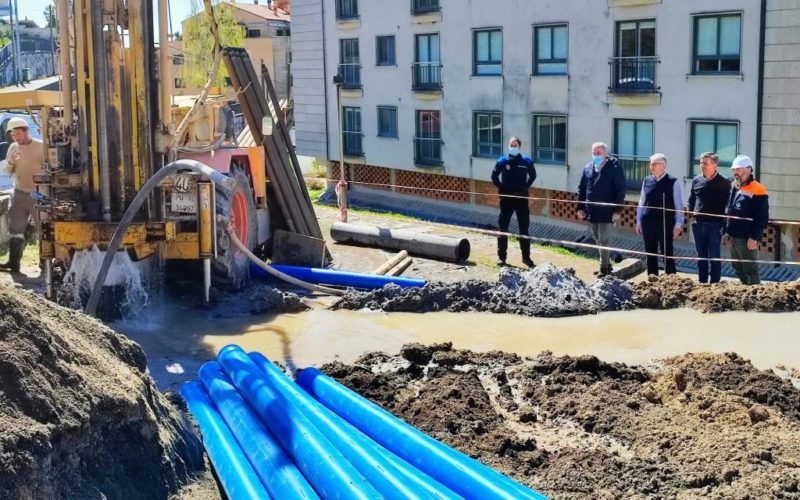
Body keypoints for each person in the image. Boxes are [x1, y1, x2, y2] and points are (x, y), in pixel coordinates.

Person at [0, 117, 44, 273]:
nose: (16, 138)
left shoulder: (41, 147)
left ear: (26, 131)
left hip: (38, 195)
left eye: (18, 134)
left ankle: (45, 264)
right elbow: (6, 170)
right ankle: (13, 263)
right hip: (19, 194)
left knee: (43, 229)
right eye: (13, 135)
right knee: (15, 228)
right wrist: (11, 162)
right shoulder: (13, 147)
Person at [577, 142, 626, 276]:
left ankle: (603, 267)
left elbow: (620, 190)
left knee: (604, 238)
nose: (596, 155)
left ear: (605, 153)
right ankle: (607, 264)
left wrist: (617, 210)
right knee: (597, 238)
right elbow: (582, 188)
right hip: (592, 210)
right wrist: (580, 207)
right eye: (594, 153)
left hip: (607, 210)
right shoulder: (588, 167)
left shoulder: (614, 167)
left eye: (598, 153)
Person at [635, 153, 684, 279]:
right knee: (650, 253)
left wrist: (678, 224)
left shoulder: (673, 181)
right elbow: (642, 201)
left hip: (665, 223)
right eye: (650, 164)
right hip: (648, 222)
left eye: (654, 164)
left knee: (667, 253)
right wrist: (638, 221)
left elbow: (678, 204)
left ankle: (671, 281)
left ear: (663, 166)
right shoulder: (647, 180)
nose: (651, 167)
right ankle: (652, 280)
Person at [491, 136, 537, 267]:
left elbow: (533, 175)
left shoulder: (526, 161)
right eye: (511, 145)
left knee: (524, 229)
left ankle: (526, 258)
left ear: (519, 146)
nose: (513, 147)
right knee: (503, 228)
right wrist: (501, 188)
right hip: (506, 199)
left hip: (521, 199)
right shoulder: (502, 161)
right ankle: (502, 258)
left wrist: (526, 186)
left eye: (515, 145)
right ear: (508, 146)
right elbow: (494, 177)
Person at [687, 152, 731, 284]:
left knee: (714, 257)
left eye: (705, 163)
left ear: (714, 164)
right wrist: (691, 213)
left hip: (715, 225)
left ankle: (715, 285)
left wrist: (725, 227)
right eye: (700, 163)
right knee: (701, 257)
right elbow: (691, 200)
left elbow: (728, 206)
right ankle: (702, 283)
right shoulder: (696, 180)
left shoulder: (724, 183)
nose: (702, 165)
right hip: (698, 224)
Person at [724, 154, 769, 285]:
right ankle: (746, 290)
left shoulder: (758, 190)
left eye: (737, 169)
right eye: (733, 170)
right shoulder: (736, 187)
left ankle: (755, 294)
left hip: (746, 238)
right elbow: (730, 210)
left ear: (748, 170)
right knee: (737, 267)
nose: (734, 172)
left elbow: (761, 217)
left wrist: (754, 237)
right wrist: (726, 231)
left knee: (750, 269)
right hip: (733, 235)